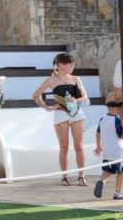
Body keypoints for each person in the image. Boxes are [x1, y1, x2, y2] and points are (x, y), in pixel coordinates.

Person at [32, 53, 90, 186]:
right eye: (71, 64)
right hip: (60, 114)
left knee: (79, 146)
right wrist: (47, 107)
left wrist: (76, 100)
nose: (73, 67)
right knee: (64, 147)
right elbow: (35, 95)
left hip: (76, 113)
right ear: (61, 65)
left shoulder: (75, 78)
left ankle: (81, 176)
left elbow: (84, 97)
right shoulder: (51, 80)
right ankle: (65, 177)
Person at [93, 91, 123, 200]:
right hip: (118, 151)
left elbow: (98, 133)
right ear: (117, 108)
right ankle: (118, 192)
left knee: (107, 170)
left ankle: (102, 181)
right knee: (121, 172)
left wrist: (98, 146)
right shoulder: (117, 120)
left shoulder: (102, 119)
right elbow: (122, 136)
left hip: (107, 151)